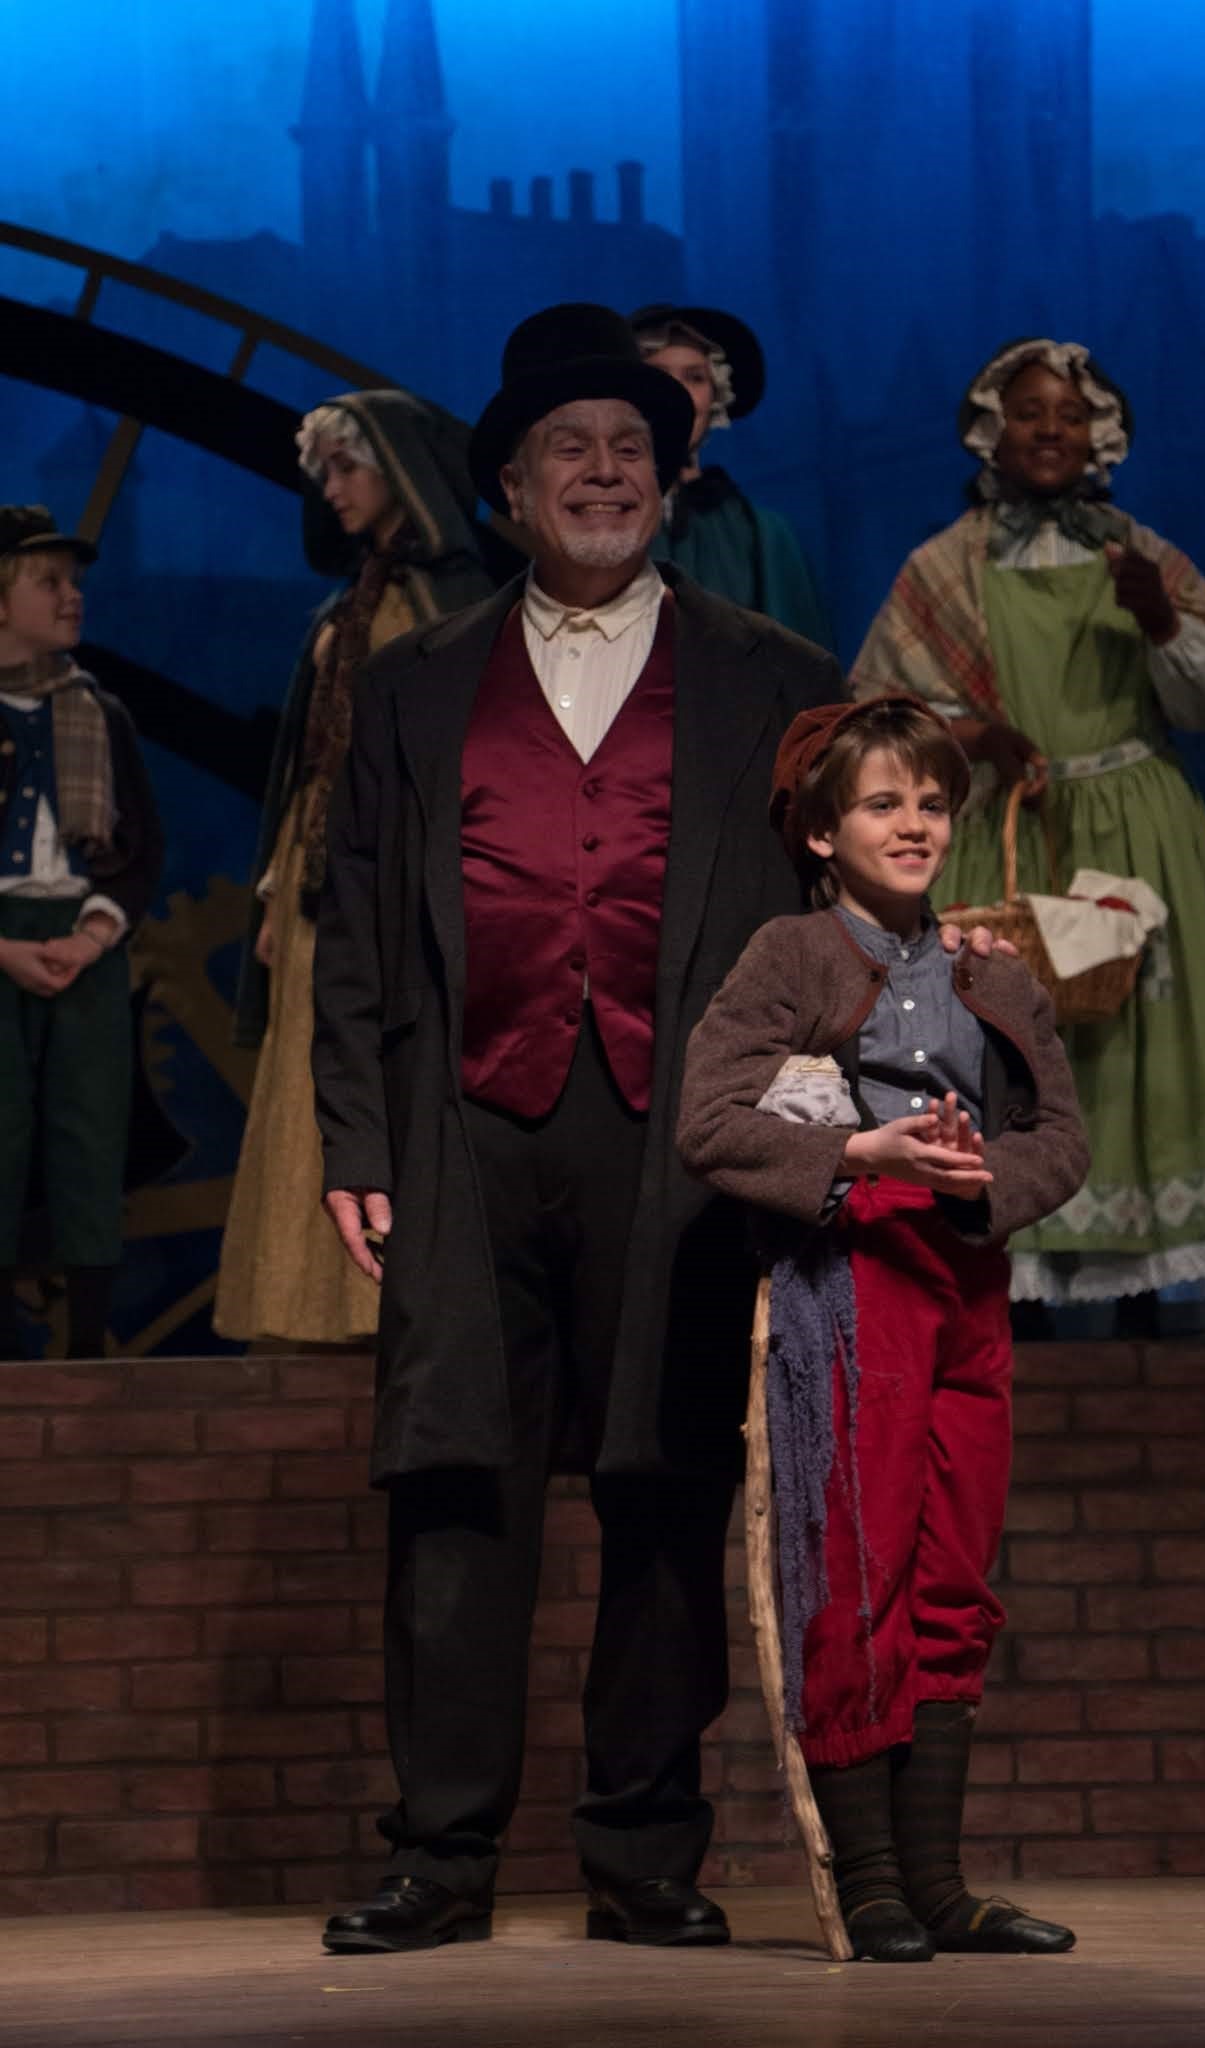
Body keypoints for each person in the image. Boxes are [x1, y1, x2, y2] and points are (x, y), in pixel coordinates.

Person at [310, 304, 998, 1957]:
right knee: (455, 1488)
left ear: (672, 481)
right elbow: (355, 936)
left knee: (670, 1485)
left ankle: (642, 1854)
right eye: (571, 449)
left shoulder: (779, 679)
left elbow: (846, 908)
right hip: (465, 1129)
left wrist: (844, 1093)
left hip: (688, 1138)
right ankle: (441, 1855)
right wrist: (358, 1144)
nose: (605, 472)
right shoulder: (413, 685)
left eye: (633, 448)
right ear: (512, 489)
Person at [677, 695, 1089, 1961]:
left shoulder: (991, 966)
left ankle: (938, 1884)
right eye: (882, 803)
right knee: (859, 1570)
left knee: (955, 1572)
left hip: (966, 1272)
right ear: (822, 832)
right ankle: (870, 1881)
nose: (914, 824)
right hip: (854, 1276)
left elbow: (1061, 1136)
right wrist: (860, 1149)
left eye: (931, 803)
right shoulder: (791, 954)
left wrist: (980, 1183)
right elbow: (707, 1118)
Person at [852, 339, 1205, 1318]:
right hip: (1007, 827)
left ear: (1102, 436)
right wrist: (973, 738)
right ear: (992, 430)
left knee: (1138, 1043)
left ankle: (1143, 1311)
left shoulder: (1143, 556)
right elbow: (884, 714)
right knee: (1005, 1046)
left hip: (1134, 835)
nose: (1050, 429)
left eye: (1071, 413)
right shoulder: (944, 567)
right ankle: (1018, 1294)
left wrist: (1161, 622)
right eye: (1030, 411)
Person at [214, 390, 494, 1345]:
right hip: (320, 868)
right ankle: (307, 1303)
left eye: (347, 467)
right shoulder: (356, 598)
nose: (330, 488)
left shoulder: (453, 598)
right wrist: (273, 891)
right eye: (323, 472)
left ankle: (395, 1297)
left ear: (399, 471)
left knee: (398, 1063)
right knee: (312, 1067)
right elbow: (310, 762)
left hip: (404, 865)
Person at [0, 506, 163, 1359]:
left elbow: (140, 844)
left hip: (81, 940)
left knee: (90, 1128)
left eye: (76, 583)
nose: (73, 597)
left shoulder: (99, 713)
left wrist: (93, 935)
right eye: (49, 582)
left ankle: (87, 1347)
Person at [629, 303, 834, 646]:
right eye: (659, 374)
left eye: (695, 377)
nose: (677, 392)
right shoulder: (599, 520)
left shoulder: (761, 535)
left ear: (715, 397)